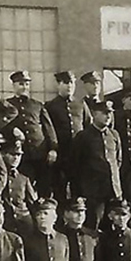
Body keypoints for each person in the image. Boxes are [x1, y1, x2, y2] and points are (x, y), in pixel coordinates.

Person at [1, 70, 58, 196]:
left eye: (26, 84)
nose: (24, 87)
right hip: (21, 155)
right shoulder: (7, 105)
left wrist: (53, 148)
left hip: (40, 152)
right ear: (14, 85)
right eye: (20, 84)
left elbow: (49, 128)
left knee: (45, 188)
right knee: (25, 187)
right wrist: (11, 131)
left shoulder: (37, 105)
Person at [70, 99, 123, 230]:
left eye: (110, 113)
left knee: (113, 228)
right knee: (93, 227)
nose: (108, 116)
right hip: (93, 193)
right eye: (104, 113)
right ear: (94, 114)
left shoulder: (114, 135)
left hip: (113, 191)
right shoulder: (83, 136)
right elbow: (75, 165)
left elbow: (118, 160)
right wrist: (79, 192)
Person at [45, 70, 92, 201]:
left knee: (79, 191)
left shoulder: (81, 104)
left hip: (79, 154)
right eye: (65, 83)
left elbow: (88, 126)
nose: (69, 86)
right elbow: (48, 130)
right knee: (60, 190)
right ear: (58, 85)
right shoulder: (50, 106)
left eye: (72, 82)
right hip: (61, 154)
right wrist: (53, 149)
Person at [0, 131, 38, 234]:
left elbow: (33, 204)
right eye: (12, 154)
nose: (16, 158)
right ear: (3, 154)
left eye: (18, 155)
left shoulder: (24, 179)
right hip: (5, 222)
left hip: (24, 224)